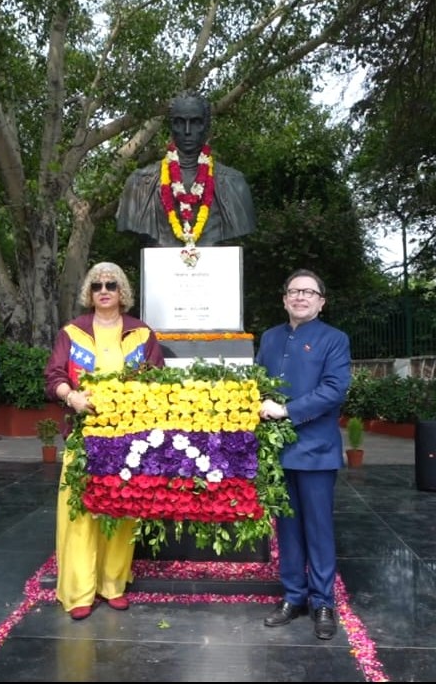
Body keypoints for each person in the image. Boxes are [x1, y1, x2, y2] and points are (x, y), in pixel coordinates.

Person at [43, 262, 165, 620]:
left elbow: (158, 380)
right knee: (80, 512)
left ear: (122, 290)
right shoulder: (72, 332)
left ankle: (113, 584)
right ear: (89, 292)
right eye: (97, 285)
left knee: (121, 509)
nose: (104, 290)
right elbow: (53, 376)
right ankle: (80, 590)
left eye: (111, 284)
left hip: (129, 437)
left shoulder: (142, 333)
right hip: (84, 435)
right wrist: (72, 397)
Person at [255, 269, 352, 641]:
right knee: (288, 530)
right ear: (284, 299)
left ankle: (323, 601)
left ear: (321, 302)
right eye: (294, 291)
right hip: (278, 452)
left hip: (315, 450)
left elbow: (334, 390)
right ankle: (293, 596)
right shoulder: (271, 337)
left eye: (309, 292)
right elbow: (259, 382)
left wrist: (287, 410)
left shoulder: (334, 340)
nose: (300, 297)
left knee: (318, 528)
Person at [116, 93, 256, 247]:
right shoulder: (139, 184)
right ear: (171, 126)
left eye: (196, 122)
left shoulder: (234, 183)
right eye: (180, 122)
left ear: (207, 125)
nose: (187, 131)